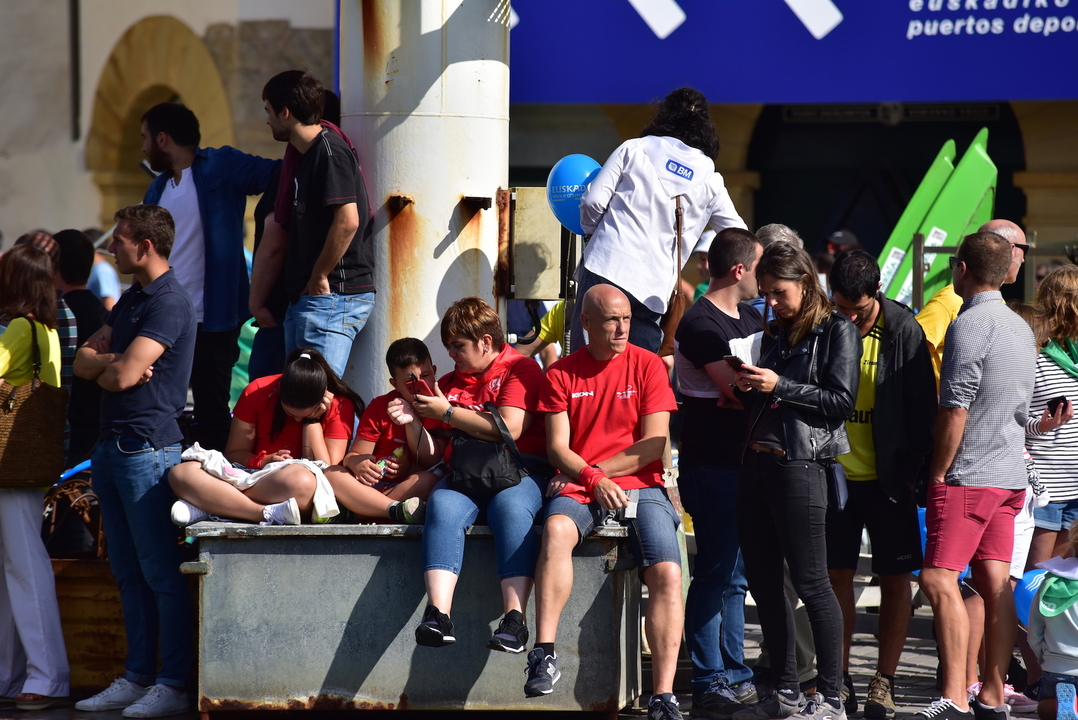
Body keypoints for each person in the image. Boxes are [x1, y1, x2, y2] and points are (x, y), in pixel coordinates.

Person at [530, 284, 682, 718]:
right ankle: (543, 653)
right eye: (612, 319)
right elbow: (557, 448)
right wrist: (591, 479)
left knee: (668, 573)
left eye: (627, 319)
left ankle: (663, 695)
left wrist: (593, 472)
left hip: (638, 484)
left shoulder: (648, 365)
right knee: (556, 530)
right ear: (585, 322)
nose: (621, 328)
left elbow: (653, 445)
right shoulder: (561, 373)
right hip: (583, 483)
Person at [73, 204, 197, 718]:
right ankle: (138, 675)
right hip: (113, 447)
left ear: (145, 246)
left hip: (146, 449)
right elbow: (84, 362)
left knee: (160, 574)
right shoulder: (132, 298)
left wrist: (113, 368)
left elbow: (124, 377)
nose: (111, 248)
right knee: (127, 572)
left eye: (119, 240)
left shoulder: (168, 303)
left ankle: (173, 683)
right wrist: (111, 362)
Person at [732, 241, 860, 720]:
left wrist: (778, 385)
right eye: (765, 293)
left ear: (805, 282)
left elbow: (841, 402)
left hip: (801, 466)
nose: (771, 302)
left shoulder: (837, 330)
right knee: (765, 584)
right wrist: (748, 386)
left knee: (812, 583)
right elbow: (771, 403)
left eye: (778, 293)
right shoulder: (776, 333)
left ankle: (831, 696)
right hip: (757, 466)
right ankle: (784, 689)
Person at [914, 231, 1038, 720]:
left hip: (970, 474)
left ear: (960, 268)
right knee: (995, 582)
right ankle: (990, 694)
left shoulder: (969, 324)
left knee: (937, 578)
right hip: (1009, 475)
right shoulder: (1020, 327)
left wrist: (939, 471)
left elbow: (955, 408)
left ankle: (954, 696)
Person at [825, 250, 937, 720]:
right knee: (836, 580)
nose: (849, 318)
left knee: (894, 581)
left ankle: (883, 681)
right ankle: (838, 678)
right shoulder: (828, 324)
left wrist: (910, 473)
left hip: (889, 480)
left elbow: (923, 411)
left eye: (858, 310)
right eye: (840, 307)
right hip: (836, 477)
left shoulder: (904, 330)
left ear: (877, 293)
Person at [410, 297, 551, 654]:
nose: (451, 354)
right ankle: (438, 615)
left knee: (510, 508)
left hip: (520, 470)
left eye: (458, 346)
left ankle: (515, 621)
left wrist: (448, 412)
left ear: (486, 342)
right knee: (442, 503)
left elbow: (510, 428)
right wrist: (412, 420)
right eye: (448, 346)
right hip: (466, 473)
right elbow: (432, 450)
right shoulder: (448, 383)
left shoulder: (521, 369)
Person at [140, 102, 279, 451]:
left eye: (144, 138)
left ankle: (216, 478)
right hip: (164, 316)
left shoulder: (222, 164)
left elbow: (281, 174)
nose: (142, 147)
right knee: (158, 408)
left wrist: (275, 231)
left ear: (162, 138)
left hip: (213, 318)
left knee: (212, 411)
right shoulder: (156, 190)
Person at [574, 86, 746, 353]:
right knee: (637, 369)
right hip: (652, 289)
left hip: (605, 267)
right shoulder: (711, 180)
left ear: (664, 115)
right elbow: (739, 236)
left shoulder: (634, 149)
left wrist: (591, 232)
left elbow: (592, 202)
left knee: (585, 362)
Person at [673, 227, 763, 718]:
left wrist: (751, 390)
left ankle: (735, 672)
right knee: (714, 572)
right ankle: (709, 679)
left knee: (736, 577)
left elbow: (752, 390)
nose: (763, 279)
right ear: (739, 269)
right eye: (759, 267)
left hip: (743, 464)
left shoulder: (750, 317)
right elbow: (740, 391)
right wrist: (748, 390)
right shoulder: (700, 323)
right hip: (711, 466)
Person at [262, 70, 376, 376]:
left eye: (269, 110)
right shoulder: (308, 154)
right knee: (303, 395)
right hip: (314, 298)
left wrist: (320, 274)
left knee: (317, 396)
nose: (267, 120)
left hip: (331, 296)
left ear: (285, 113)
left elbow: (348, 221)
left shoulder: (329, 151)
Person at [167, 348, 361, 526]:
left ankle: (214, 503)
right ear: (279, 392)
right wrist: (263, 460)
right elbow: (234, 453)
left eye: (305, 415)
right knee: (181, 473)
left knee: (304, 482)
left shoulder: (340, 404)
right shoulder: (259, 390)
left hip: (289, 484)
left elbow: (325, 471)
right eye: (290, 413)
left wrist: (312, 421)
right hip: (252, 475)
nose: (296, 419)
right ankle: (262, 513)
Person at [0, 243, 70, 711]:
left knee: (24, 568)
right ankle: (13, 675)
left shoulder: (20, 328)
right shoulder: (46, 328)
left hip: (12, 466)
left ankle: (46, 676)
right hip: (25, 466)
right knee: (15, 569)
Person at [248, 89, 345, 381]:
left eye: (269, 110)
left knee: (272, 396)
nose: (267, 119)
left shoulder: (295, 170)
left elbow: (274, 242)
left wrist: (256, 302)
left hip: (286, 307)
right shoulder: (338, 161)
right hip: (323, 303)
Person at [324, 337, 445, 522]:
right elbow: (353, 456)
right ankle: (393, 510)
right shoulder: (380, 406)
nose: (419, 387)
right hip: (372, 486)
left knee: (428, 482)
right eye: (410, 383)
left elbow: (432, 462)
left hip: (406, 487)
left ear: (435, 371)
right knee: (332, 473)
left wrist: (407, 467)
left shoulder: (441, 406)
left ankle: (358, 512)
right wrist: (359, 464)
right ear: (394, 384)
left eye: (426, 376)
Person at [917, 219, 1029, 392]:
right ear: (1010, 249)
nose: (1024, 259)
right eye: (1025, 250)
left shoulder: (995, 302)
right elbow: (908, 348)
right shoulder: (952, 299)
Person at [1026, 266, 1078, 568]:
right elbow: (1012, 418)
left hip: (1075, 486)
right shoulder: (1035, 354)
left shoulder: (1075, 354)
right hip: (1045, 486)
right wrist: (1043, 425)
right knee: (1034, 576)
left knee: (1059, 576)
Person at [54, 229, 109, 466]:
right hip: (98, 431)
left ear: (53, 265)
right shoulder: (105, 316)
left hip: (63, 433)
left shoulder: (53, 317)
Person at [1028, 520, 1078, 720]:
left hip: (1057, 670)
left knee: (1044, 708)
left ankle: (1060, 703)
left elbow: (1034, 632)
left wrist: (1044, 658)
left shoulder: (1051, 581)